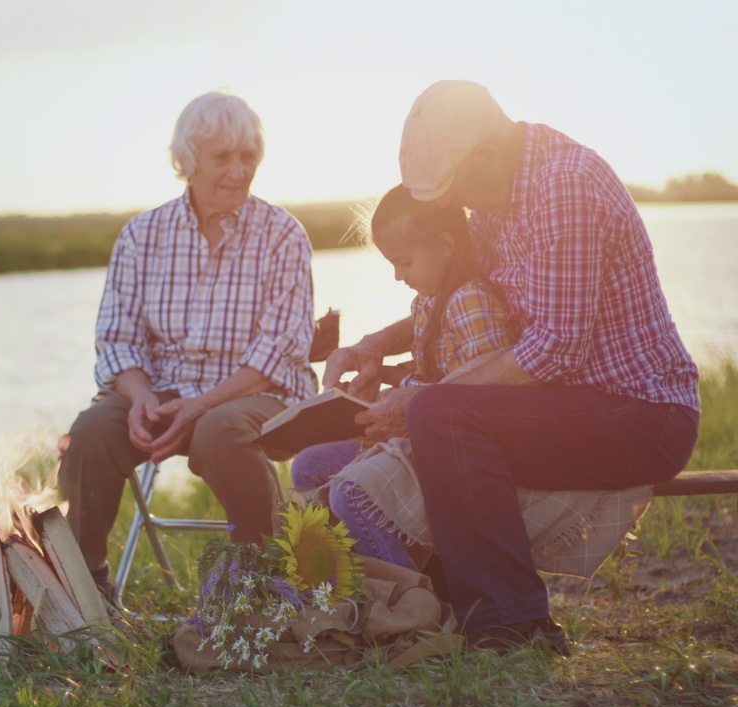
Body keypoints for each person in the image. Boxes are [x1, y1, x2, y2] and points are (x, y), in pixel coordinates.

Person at [324, 80, 700, 655]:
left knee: (438, 413)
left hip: (643, 413)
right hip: (574, 402)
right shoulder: (495, 196)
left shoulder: (565, 186)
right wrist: (377, 343)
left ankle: (515, 623)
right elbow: (454, 293)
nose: (446, 207)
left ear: (490, 156)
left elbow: (553, 349)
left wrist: (419, 398)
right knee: (433, 411)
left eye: (450, 188)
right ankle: (451, 602)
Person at [59, 91, 319, 597]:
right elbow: (117, 340)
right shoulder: (142, 235)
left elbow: (277, 351)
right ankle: (82, 591)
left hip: (256, 396)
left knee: (219, 430)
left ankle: (263, 586)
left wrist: (200, 405)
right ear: (187, 162)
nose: (238, 171)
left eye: (248, 157)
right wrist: (141, 401)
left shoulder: (284, 235)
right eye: (222, 157)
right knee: (91, 432)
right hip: (161, 394)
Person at [292, 183, 515, 570]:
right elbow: (436, 371)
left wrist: (405, 406)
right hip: (412, 437)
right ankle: (354, 579)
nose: (398, 275)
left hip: (443, 448)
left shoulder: (470, 302)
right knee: (307, 465)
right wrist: (377, 383)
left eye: (405, 262)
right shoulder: (429, 299)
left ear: (445, 246)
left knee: (351, 495)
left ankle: (410, 601)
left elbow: (483, 392)